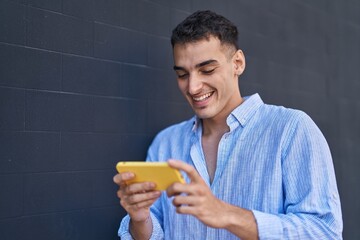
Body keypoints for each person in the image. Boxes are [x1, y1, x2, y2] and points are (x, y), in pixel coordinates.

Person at [113, 10, 343, 239]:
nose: (193, 87)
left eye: (207, 70)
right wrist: (141, 219)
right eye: (183, 74)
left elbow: (324, 232)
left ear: (238, 63)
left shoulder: (291, 129)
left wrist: (226, 214)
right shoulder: (165, 143)